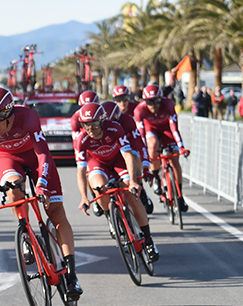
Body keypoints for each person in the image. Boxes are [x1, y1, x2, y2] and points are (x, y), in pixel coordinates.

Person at [0, 87, 83, 299]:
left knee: (56, 214)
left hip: (35, 158)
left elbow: (43, 154)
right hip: (8, 159)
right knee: (14, 187)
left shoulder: (28, 117)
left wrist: (41, 183)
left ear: (10, 113)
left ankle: (72, 274)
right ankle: (25, 232)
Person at [75, 102, 159, 262]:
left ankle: (148, 240)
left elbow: (128, 155)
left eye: (94, 125)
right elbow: (80, 171)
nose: (90, 130)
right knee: (99, 189)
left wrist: (134, 181)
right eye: (86, 125)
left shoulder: (114, 128)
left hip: (118, 160)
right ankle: (112, 217)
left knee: (131, 196)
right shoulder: (81, 139)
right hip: (98, 163)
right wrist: (84, 197)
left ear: (102, 122)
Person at [134, 84, 190, 212]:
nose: (153, 105)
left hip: (166, 129)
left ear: (161, 99)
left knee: (175, 158)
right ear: (144, 101)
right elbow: (141, 136)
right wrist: (145, 155)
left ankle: (180, 196)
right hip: (151, 129)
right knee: (152, 145)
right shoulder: (139, 110)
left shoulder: (168, 104)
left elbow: (174, 128)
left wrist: (181, 147)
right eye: (149, 102)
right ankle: (157, 179)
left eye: (157, 102)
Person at [101, 101, 153, 214]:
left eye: (114, 122)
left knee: (134, 159)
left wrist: (145, 167)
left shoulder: (127, 120)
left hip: (126, 146)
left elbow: (139, 144)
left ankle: (141, 189)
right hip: (108, 150)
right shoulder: (97, 127)